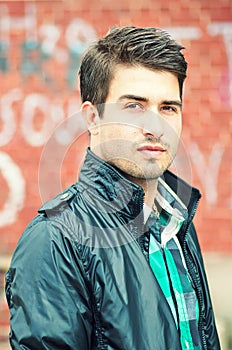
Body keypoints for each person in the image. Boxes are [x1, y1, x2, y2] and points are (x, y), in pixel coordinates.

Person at [5, 26, 220, 349]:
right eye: (134, 106)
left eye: (168, 108)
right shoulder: (54, 240)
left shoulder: (177, 223)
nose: (155, 127)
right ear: (92, 118)